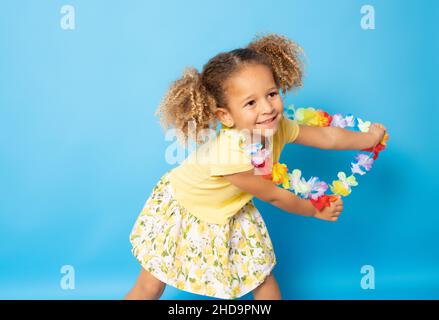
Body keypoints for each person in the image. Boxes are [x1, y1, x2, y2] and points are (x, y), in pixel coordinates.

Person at [125, 33, 387, 300]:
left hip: (230, 207)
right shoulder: (231, 155)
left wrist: (368, 139)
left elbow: (326, 137)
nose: (267, 108)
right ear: (226, 116)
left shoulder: (278, 125)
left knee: (262, 275)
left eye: (271, 94)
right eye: (251, 103)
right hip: (186, 209)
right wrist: (314, 211)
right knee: (151, 284)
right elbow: (273, 194)